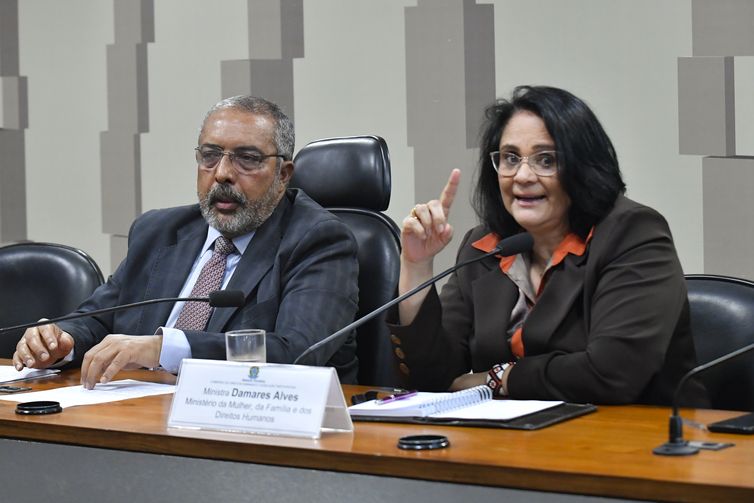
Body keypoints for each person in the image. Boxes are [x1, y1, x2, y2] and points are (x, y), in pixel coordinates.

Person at [391, 85, 708, 406]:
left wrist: (500, 378)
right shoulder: (484, 246)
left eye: (545, 160)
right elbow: (433, 380)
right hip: (511, 443)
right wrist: (416, 266)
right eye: (510, 158)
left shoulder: (633, 234)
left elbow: (612, 373)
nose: (523, 175)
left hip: (636, 441)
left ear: (583, 166)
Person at [13, 96, 359, 387]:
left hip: (253, 429)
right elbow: (103, 317)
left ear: (283, 175)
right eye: (210, 155)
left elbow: (293, 350)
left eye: (247, 159)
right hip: (138, 413)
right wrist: (63, 339)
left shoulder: (318, 240)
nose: (222, 173)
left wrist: (163, 348)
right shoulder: (159, 231)